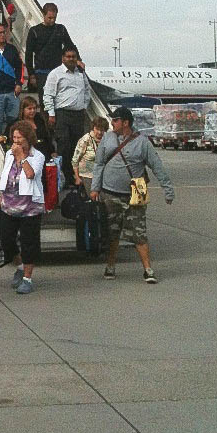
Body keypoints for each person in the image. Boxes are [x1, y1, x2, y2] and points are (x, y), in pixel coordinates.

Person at [90, 106, 175, 283]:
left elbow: (156, 166)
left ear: (125, 123)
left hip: (135, 196)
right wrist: (95, 188)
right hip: (110, 194)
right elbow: (98, 164)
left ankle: (148, 269)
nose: (112, 123)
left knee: (139, 233)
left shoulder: (143, 142)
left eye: (115, 120)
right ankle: (110, 266)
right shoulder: (107, 138)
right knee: (112, 233)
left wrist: (168, 189)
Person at [0, 119, 46, 295]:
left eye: (19, 138)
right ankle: (19, 266)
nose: (16, 141)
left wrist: (21, 157)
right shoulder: (8, 154)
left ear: (28, 139)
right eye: (14, 137)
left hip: (30, 207)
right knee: (6, 239)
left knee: (29, 243)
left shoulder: (37, 156)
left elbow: (31, 174)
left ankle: (27, 277)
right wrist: (1, 195)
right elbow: (5, 175)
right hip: (9, 204)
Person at [43, 48, 90, 189]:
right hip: (62, 114)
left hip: (78, 115)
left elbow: (87, 91)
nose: (71, 59)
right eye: (68, 56)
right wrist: (51, 113)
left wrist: (84, 105)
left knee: (77, 147)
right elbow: (48, 95)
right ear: (63, 58)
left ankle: (74, 177)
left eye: (73, 57)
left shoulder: (81, 74)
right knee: (64, 146)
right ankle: (63, 178)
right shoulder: (55, 74)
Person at [26, 4, 80, 96]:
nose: (52, 20)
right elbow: (28, 54)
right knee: (45, 102)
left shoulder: (61, 29)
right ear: (43, 14)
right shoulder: (34, 31)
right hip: (41, 72)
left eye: (54, 18)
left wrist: (78, 60)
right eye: (49, 18)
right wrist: (31, 75)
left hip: (58, 71)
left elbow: (70, 45)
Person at [2, 96, 54, 161]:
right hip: (27, 154)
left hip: (44, 152)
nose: (33, 111)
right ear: (23, 110)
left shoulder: (40, 120)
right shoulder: (16, 123)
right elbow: (6, 136)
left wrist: (53, 151)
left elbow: (47, 137)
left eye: (34, 108)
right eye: (29, 109)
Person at [72, 116, 110, 194]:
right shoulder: (85, 139)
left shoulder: (107, 139)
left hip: (102, 176)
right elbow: (75, 160)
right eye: (97, 129)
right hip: (87, 176)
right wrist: (77, 177)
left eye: (102, 130)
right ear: (93, 128)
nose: (99, 132)